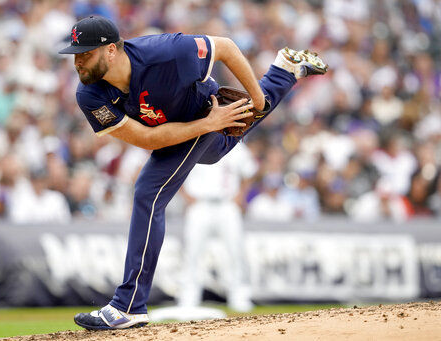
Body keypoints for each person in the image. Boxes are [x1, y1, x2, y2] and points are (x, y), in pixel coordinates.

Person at [58, 15, 327, 330]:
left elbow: (224, 47)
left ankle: (128, 305)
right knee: (221, 146)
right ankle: (284, 70)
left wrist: (257, 100)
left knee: (148, 191)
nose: (78, 61)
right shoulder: (90, 94)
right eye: (76, 53)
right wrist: (211, 125)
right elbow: (146, 139)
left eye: (86, 53)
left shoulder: (166, 53)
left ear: (112, 52)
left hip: (203, 107)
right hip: (191, 128)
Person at [178, 143, 257, 313]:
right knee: (192, 252)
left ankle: (239, 296)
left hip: (227, 204)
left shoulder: (235, 144)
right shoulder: (195, 140)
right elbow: (177, 169)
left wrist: (241, 195)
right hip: (200, 204)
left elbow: (249, 172)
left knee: (236, 251)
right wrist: (186, 196)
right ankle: (188, 297)